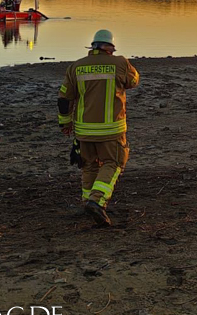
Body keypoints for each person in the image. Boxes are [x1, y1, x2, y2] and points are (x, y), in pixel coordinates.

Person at [57, 29, 140, 226]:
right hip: (111, 130)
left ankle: (87, 201)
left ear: (92, 46)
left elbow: (64, 99)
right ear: (110, 47)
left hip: (84, 131)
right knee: (113, 163)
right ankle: (97, 200)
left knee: (89, 165)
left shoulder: (76, 67)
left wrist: (65, 122)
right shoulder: (120, 63)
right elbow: (134, 81)